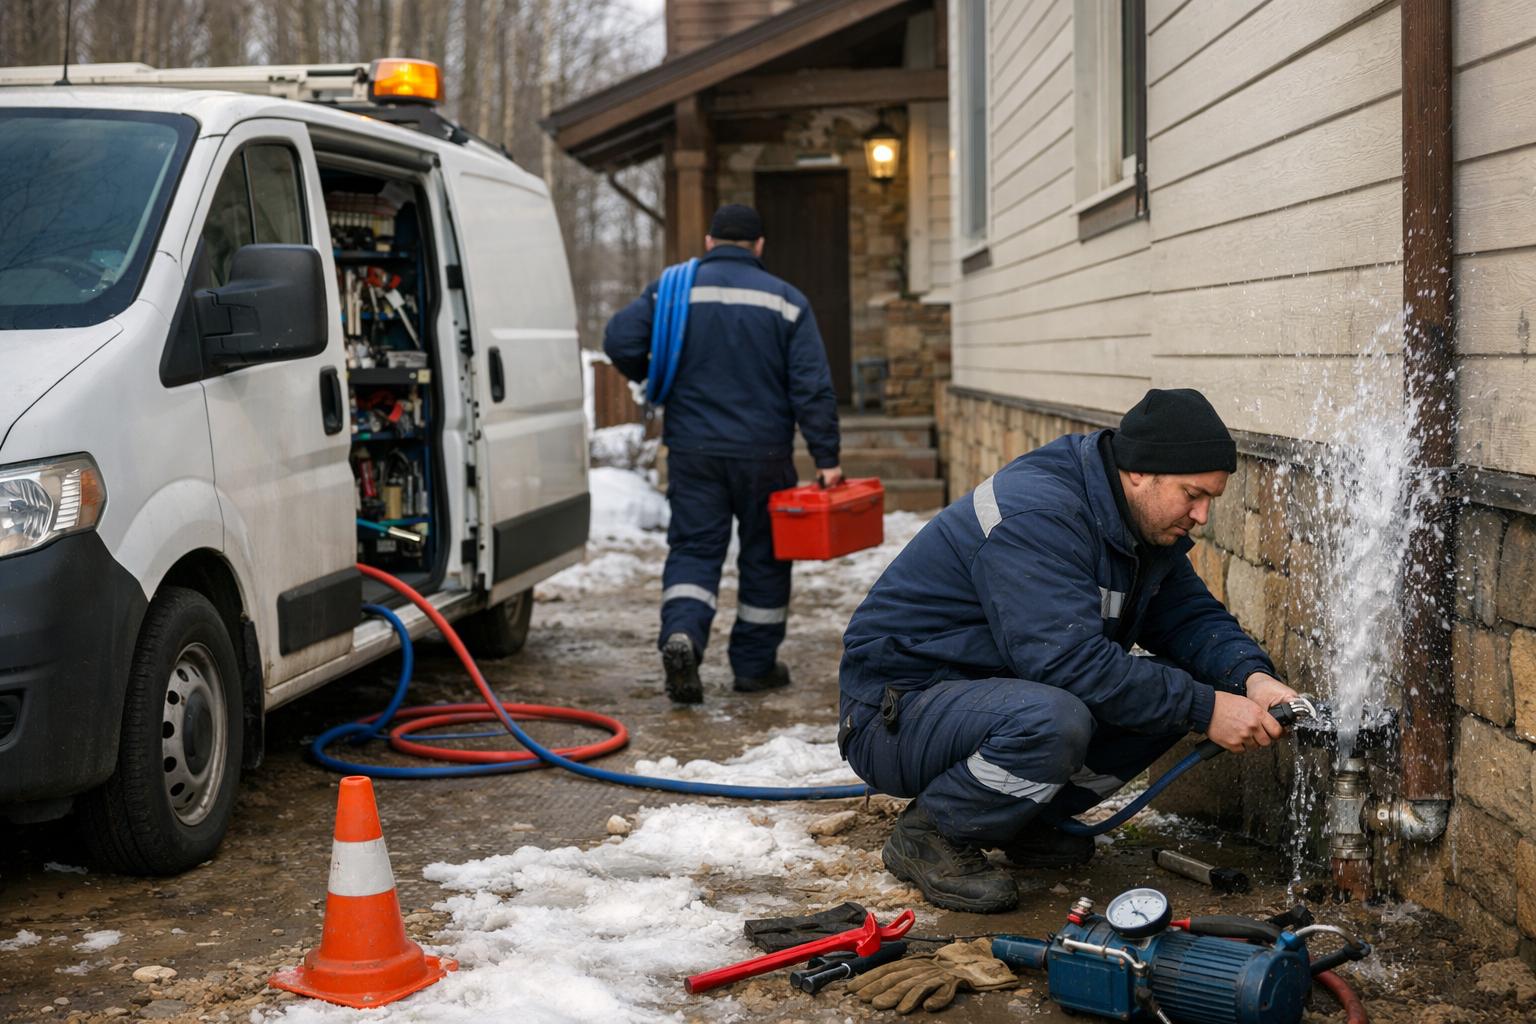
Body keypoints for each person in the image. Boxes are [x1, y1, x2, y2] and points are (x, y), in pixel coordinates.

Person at [837, 388, 1296, 913]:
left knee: (1170, 690)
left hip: (984, 697)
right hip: (896, 711)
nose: (1202, 514)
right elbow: (1065, 663)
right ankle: (934, 831)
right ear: (1141, 472)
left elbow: (1188, 617)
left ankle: (1022, 817)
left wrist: (1251, 678)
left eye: (1211, 498)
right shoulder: (1039, 514)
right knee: (1055, 718)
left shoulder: (1134, 519)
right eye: (1193, 494)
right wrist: (1207, 708)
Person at [605, 203, 842, 704]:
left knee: (694, 550)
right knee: (766, 557)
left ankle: (684, 637)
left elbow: (619, 338)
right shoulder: (787, 301)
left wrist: (651, 377)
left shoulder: (672, 292)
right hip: (766, 455)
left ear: (710, 242)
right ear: (759, 246)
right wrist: (827, 458)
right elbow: (812, 387)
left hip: (693, 451)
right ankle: (755, 667)